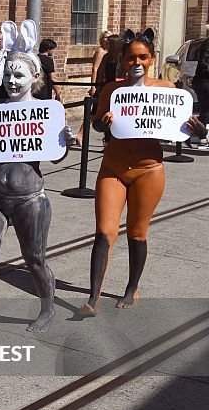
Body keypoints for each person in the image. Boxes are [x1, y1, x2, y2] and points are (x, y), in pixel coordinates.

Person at [80, 29, 201, 315]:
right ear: (122, 60)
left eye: (143, 57)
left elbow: (181, 128)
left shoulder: (167, 90)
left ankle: (131, 289)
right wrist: (104, 124)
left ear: (152, 59)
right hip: (114, 167)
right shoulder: (112, 90)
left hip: (148, 171)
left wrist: (200, 129)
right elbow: (97, 125)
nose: (137, 62)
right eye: (131, 57)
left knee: (137, 233)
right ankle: (93, 298)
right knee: (104, 232)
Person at [0, 20, 72, 345]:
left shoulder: (46, 113)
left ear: (34, 78)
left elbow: (55, 158)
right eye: (9, 73)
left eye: (19, 74)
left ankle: (47, 307)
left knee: (35, 259)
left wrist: (64, 140)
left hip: (30, 199)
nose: (12, 80)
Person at [88, 30, 112, 98]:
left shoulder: (109, 51)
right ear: (101, 39)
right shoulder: (100, 51)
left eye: (109, 37)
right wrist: (93, 86)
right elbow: (94, 69)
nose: (107, 39)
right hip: (100, 81)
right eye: (105, 37)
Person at [192, 33, 209, 126]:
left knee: (205, 109)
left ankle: (197, 131)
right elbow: (203, 62)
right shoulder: (207, 44)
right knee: (206, 107)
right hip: (203, 81)